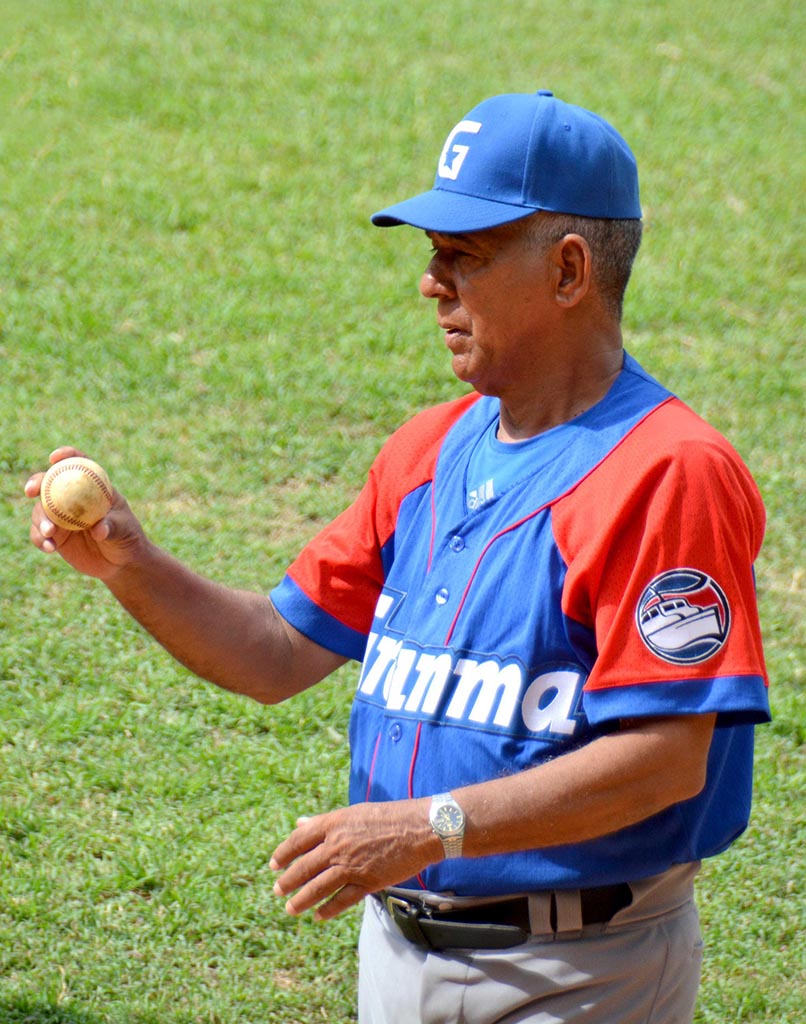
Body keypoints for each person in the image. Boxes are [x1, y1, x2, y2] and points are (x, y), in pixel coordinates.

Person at [27, 89, 770, 1023]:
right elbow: (273, 651)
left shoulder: (667, 475)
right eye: (432, 254)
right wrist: (129, 565)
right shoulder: (428, 451)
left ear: (570, 271)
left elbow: (666, 760)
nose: (431, 282)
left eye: (464, 256)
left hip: (580, 975)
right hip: (396, 952)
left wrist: (429, 828)